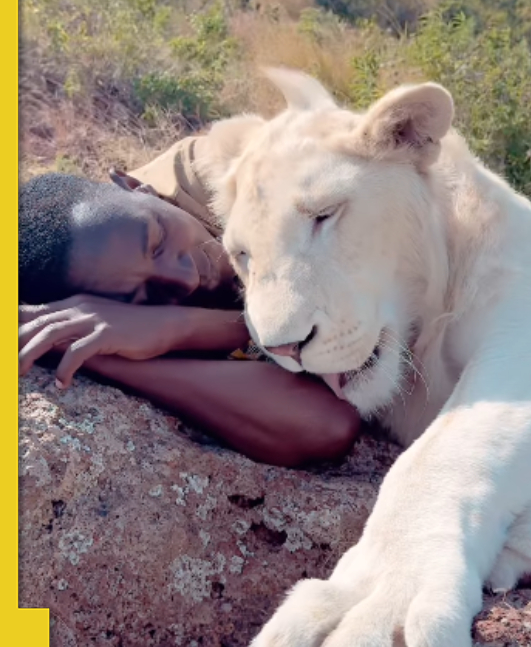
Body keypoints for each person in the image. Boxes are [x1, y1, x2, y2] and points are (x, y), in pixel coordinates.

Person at [18, 131, 362, 468]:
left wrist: (175, 327)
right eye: (142, 296)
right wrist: (83, 350)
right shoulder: (122, 322)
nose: (186, 278)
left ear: (136, 187)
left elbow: (332, 306)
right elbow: (324, 425)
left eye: (157, 241)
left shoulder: (229, 172)